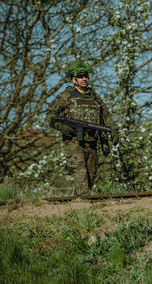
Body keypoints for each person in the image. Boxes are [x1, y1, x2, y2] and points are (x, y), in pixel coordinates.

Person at [46, 60, 118, 195]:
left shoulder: (94, 96)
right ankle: (83, 207)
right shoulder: (66, 95)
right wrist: (62, 127)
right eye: (80, 76)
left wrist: (112, 129)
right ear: (74, 80)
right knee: (82, 180)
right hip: (74, 143)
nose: (84, 79)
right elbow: (50, 114)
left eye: (86, 76)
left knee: (89, 181)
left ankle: (76, 207)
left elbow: (106, 114)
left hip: (92, 142)